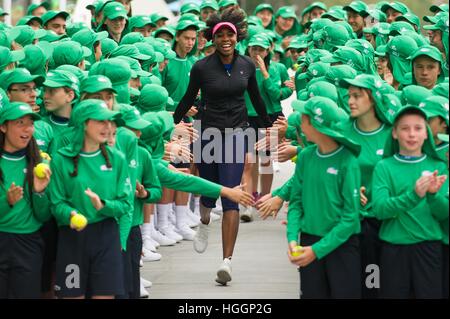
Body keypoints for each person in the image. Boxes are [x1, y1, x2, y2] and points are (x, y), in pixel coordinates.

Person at [173, 8, 271, 285]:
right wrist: (171, 126)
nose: (226, 39)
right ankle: (203, 222)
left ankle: (226, 262)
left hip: (237, 134)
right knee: (208, 195)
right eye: (220, 35)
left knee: (231, 197)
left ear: (237, 36)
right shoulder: (202, 67)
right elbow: (187, 98)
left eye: (230, 34)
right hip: (208, 135)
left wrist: (270, 127)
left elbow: (257, 100)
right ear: (212, 39)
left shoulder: (247, 66)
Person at [49, 99, 132, 299]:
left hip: (106, 235)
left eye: (110, 122)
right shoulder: (61, 159)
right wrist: (71, 214)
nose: (108, 127)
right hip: (72, 237)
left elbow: (125, 204)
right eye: (101, 121)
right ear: (84, 123)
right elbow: (56, 203)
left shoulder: (117, 159)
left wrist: (103, 205)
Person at [371, 105, 448, 298]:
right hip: (393, 248)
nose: (412, 134)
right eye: (405, 128)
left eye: (418, 128)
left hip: (428, 248)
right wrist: (413, 195)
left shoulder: (438, 166)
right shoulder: (384, 167)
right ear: (395, 133)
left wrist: (432, 195)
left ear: (426, 134)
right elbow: (380, 209)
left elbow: (444, 213)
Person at [0, 101, 52, 298]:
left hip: (29, 243)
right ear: (3, 127)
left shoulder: (41, 163)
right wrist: (8, 202)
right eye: (19, 123)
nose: (27, 129)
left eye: (30, 123)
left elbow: (44, 215)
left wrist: (39, 193)